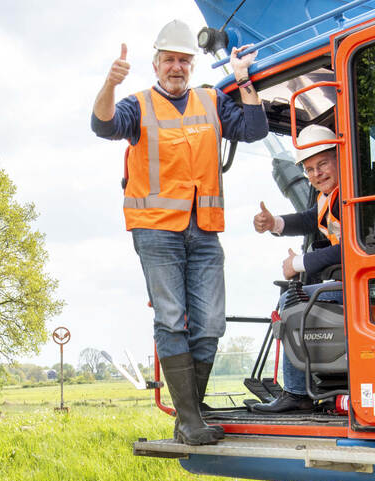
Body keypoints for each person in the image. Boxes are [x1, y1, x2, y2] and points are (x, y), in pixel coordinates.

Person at [91, 20, 268, 444]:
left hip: (204, 230)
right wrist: (109, 85)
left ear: (191, 66)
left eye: (184, 61)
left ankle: (191, 413)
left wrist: (243, 78)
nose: (177, 67)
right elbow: (103, 125)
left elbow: (255, 129)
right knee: (172, 320)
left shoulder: (211, 101)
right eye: (170, 59)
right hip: (155, 230)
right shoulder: (137, 105)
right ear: (156, 64)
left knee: (209, 323)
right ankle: (190, 420)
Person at [250, 124, 343, 413]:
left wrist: (299, 263)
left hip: (353, 283)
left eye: (323, 164)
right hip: (343, 280)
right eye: (310, 169)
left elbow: (348, 247)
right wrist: (275, 223)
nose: (317, 174)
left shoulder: (348, 198)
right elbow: (308, 219)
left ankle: (295, 393)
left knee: (290, 302)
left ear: (339, 158)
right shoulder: (327, 196)